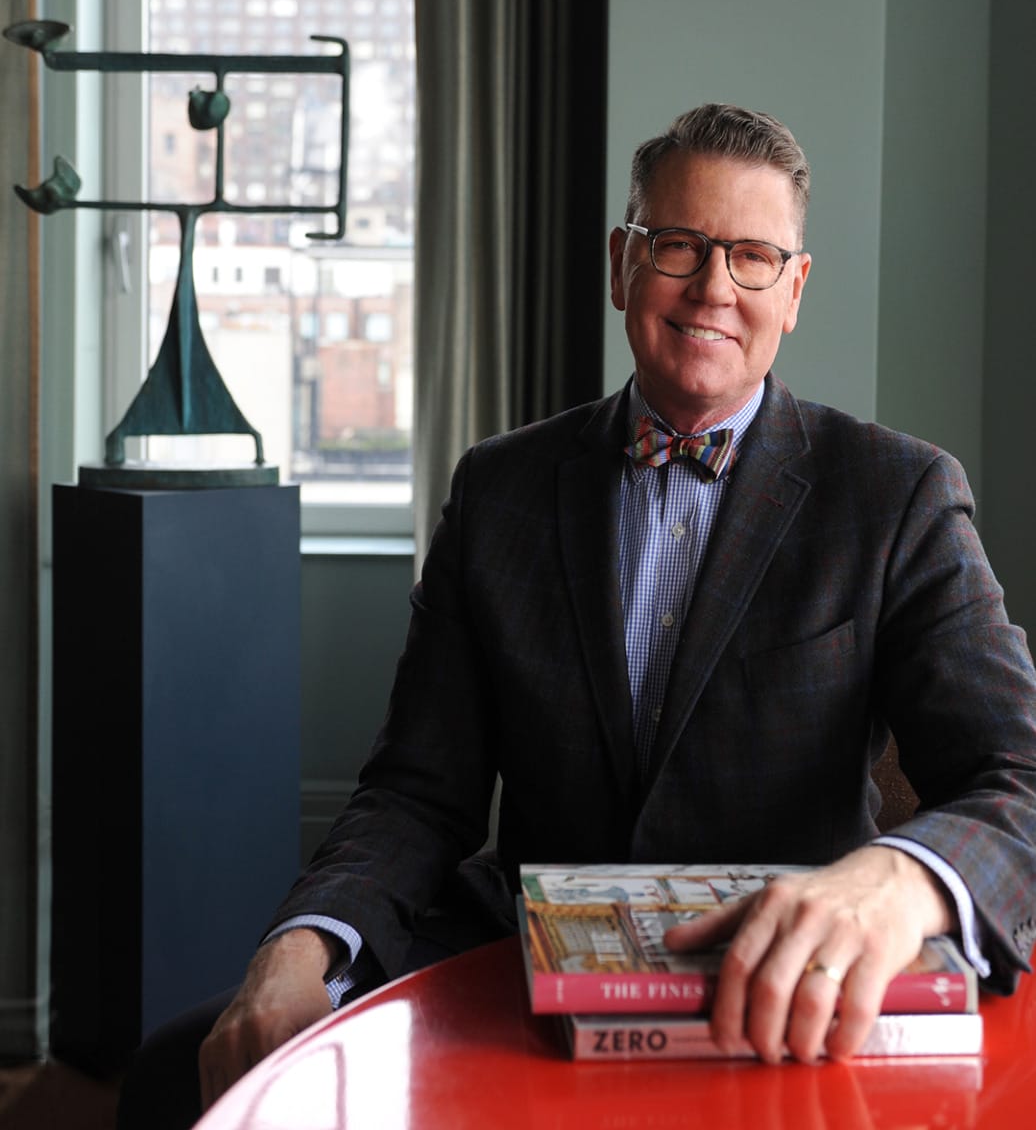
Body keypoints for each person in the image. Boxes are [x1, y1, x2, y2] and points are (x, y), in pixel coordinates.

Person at [119, 103, 1036, 1125]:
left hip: (777, 993)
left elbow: (1020, 775)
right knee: (179, 1075)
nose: (712, 290)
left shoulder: (895, 493)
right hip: (515, 958)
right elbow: (418, 794)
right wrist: (301, 943)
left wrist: (898, 883)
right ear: (620, 266)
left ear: (796, 289)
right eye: (678, 247)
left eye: (751, 258)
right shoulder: (501, 489)